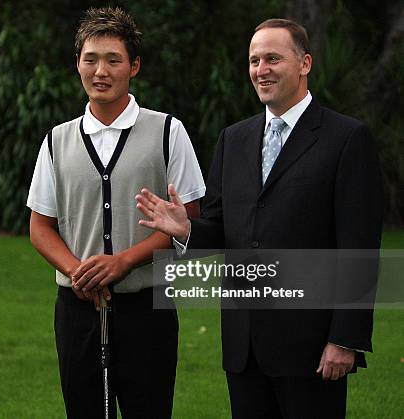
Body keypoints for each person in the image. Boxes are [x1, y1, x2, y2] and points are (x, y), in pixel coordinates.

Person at [135, 18, 383, 419]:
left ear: (304, 63)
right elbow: (222, 229)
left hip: (314, 347)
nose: (261, 69)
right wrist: (186, 229)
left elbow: (360, 246)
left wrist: (346, 338)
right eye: (253, 60)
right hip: (244, 347)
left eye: (272, 58)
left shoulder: (347, 139)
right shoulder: (233, 139)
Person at [27, 7, 205, 418]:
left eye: (113, 60)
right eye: (90, 59)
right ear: (77, 64)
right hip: (76, 310)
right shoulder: (56, 140)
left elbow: (188, 220)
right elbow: (40, 225)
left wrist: (124, 261)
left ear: (134, 66)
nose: (100, 70)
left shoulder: (167, 131)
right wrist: (78, 271)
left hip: (148, 309)